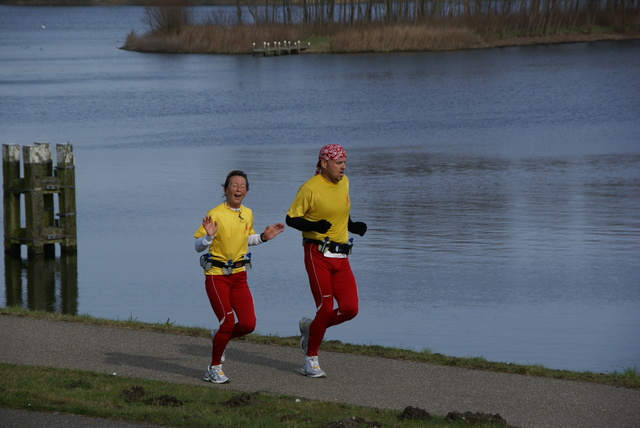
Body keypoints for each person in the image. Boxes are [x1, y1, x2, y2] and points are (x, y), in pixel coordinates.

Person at [194, 170, 285, 384]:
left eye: (242, 186)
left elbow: (247, 239)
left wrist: (263, 237)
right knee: (228, 323)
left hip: (239, 276)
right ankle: (214, 368)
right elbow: (198, 246)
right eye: (234, 185)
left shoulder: (248, 213)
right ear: (225, 190)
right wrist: (208, 236)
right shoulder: (215, 214)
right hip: (216, 276)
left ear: (247, 191)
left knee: (248, 324)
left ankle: (218, 337)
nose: (238, 189)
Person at [285, 144, 367, 378]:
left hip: (341, 257)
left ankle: (311, 328)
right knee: (326, 308)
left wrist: (353, 226)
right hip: (316, 253)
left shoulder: (344, 182)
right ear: (324, 164)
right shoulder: (309, 188)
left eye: (344, 163)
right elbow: (291, 219)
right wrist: (313, 226)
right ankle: (310, 360)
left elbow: (341, 211)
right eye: (338, 163)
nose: (343, 167)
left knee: (350, 309)